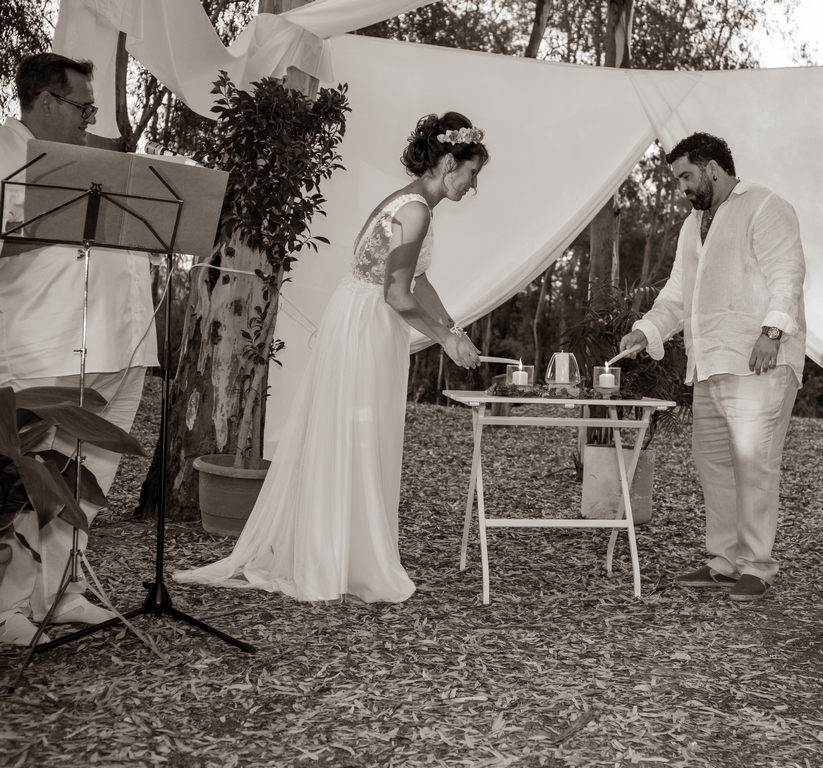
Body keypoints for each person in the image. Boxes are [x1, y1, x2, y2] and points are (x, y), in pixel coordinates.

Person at [175, 112, 486, 604]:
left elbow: (416, 278)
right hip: (369, 323)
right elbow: (396, 294)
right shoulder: (416, 211)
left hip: (359, 313)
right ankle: (342, 558)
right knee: (358, 433)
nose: (473, 185)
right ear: (449, 162)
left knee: (353, 433)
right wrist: (445, 341)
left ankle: (342, 550)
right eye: (471, 173)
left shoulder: (407, 200)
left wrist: (453, 327)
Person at [0, 53, 157, 646]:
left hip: (121, 340)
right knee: (35, 482)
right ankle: (6, 608)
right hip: (49, 346)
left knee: (86, 482)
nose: (90, 120)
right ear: (45, 101)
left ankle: (57, 594)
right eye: (83, 108)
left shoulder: (91, 163)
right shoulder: (5, 153)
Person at [617, 132, 806, 602]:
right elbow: (677, 296)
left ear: (713, 168)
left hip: (758, 364)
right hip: (708, 365)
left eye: (686, 176)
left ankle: (757, 566)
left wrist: (772, 333)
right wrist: (647, 330)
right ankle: (724, 561)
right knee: (715, 467)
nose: (682, 187)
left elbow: (787, 273)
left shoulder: (765, 206)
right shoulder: (691, 226)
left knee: (754, 467)